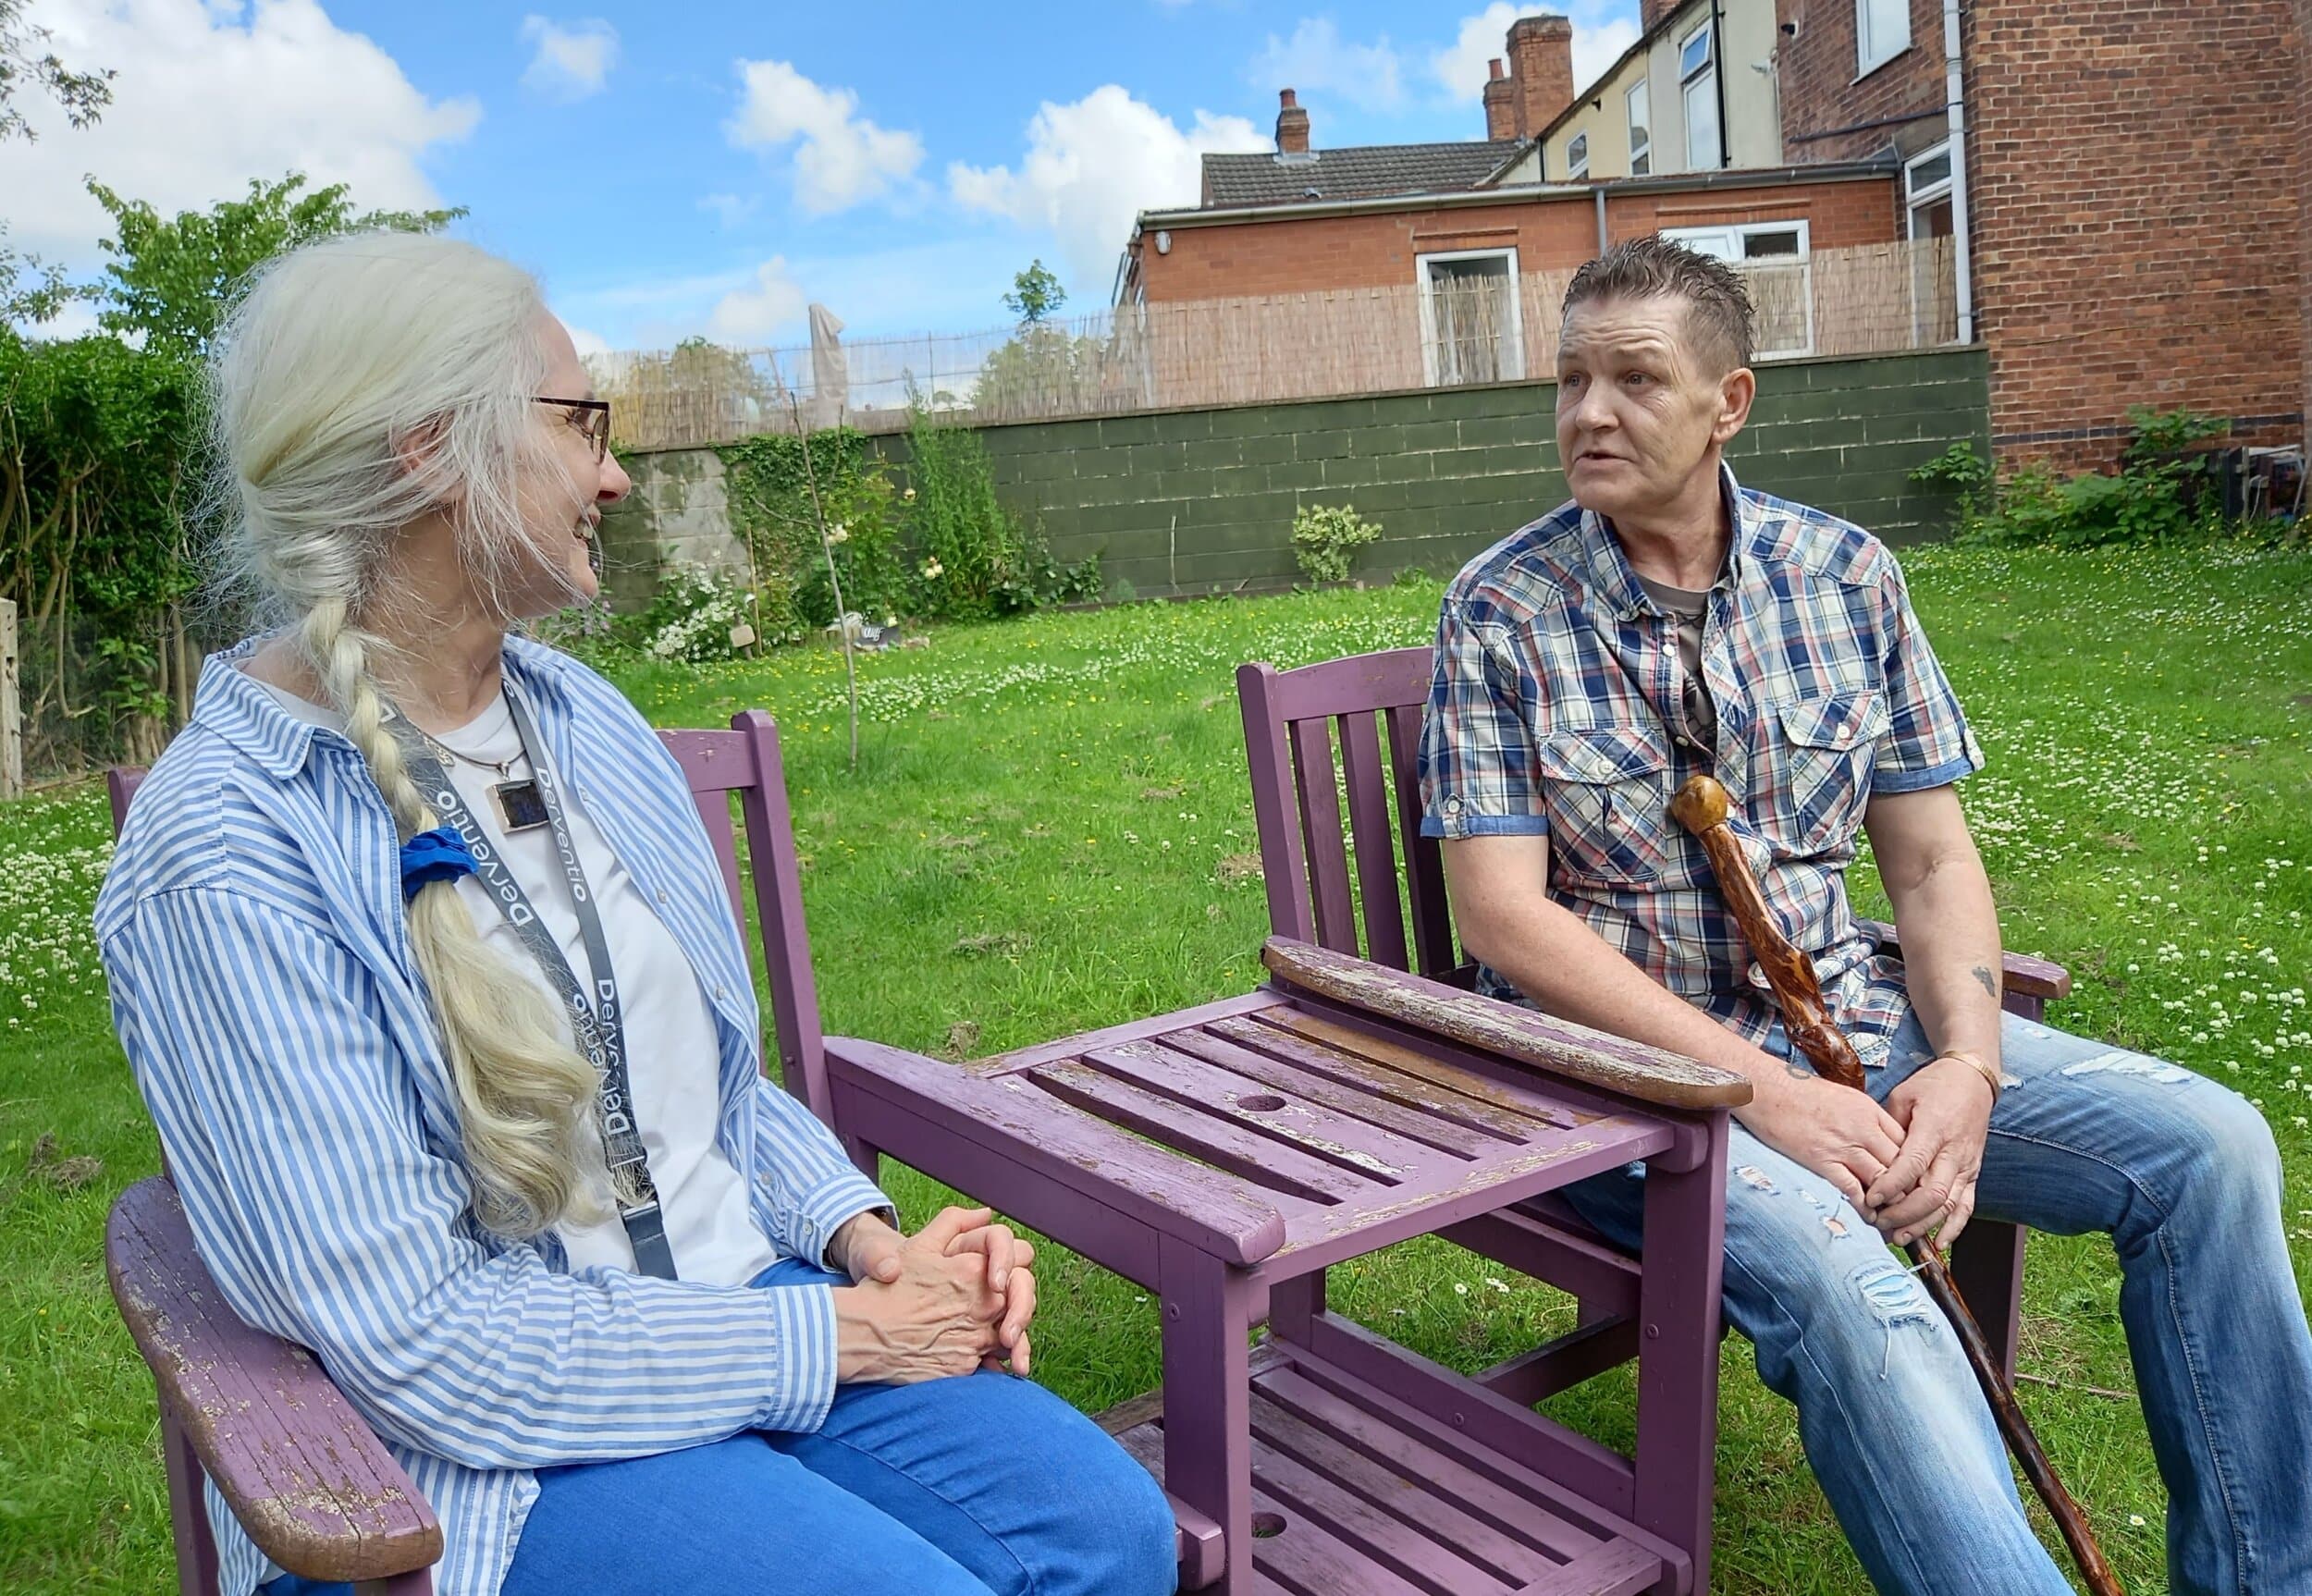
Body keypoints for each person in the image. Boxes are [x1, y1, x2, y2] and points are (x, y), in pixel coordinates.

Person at [93, 232, 1175, 1596]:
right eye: (579, 422)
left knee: (1106, 1533)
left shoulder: (582, 720)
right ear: (432, 451)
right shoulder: (224, 848)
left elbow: (707, 1098)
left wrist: (870, 1243)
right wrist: (858, 1337)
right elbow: (419, 1341)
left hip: (735, 1305)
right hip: (474, 1460)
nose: (613, 474)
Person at [1417, 235, 2312, 1595]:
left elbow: (1934, 863)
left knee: (2212, 1146)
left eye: (1634, 380)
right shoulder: (1501, 609)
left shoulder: (1846, 577)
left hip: (1855, 1026)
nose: (1588, 413)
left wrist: (1969, 1065)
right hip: (1620, 1088)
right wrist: (1766, 1098)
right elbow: (1503, 920)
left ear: (1730, 402)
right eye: (1570, 379)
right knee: (1858, 1285)